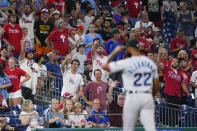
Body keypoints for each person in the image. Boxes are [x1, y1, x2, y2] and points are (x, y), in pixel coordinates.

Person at [102, 40, 159, 131]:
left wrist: (115, 52)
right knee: (151, 128)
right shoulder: (150, 63)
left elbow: (105, 66)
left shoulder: (128, 62)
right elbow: (156, 84)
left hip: (133, 96)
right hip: (147, 96)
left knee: (128, 128)